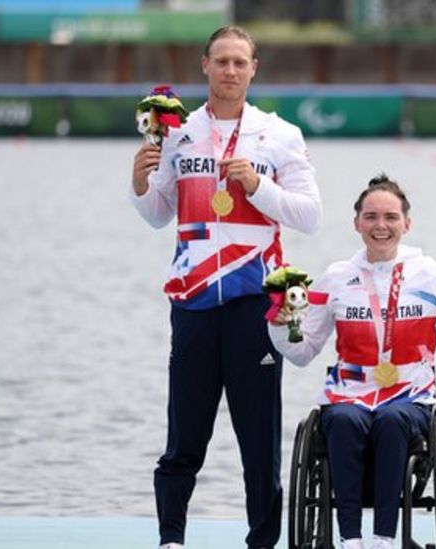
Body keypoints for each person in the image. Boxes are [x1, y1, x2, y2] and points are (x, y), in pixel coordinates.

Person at [129, 26, 321, 549]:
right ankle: (172, 540)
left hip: (256, 303)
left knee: (258, 441)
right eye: (222, 62)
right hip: (191, 301)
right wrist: (141, 182)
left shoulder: (279, 135)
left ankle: (261, 542)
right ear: (204, 66)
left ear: (254, 68)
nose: (230, 71)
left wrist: (259, 186)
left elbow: (310, 216)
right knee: (184, 436)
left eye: (240, 62)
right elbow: (156, 215)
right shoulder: (176, 133)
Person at [269, 175, 436, 549]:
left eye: (390, 217)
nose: (380, 226)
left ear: (406, 224)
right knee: (344, 419)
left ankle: (384, 539)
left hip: (409, 398)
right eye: (370, 217)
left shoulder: (428, 272)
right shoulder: (335, 278)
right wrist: (280, 324)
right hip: (349, 395)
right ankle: (350, 539)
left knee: (392, 419)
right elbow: (301, 353)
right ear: (356, 223)